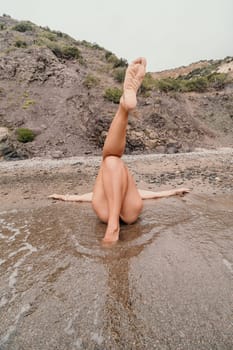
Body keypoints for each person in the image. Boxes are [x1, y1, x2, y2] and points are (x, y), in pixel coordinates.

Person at [49, 58, 189, 243]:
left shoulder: (102, 189)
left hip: (105, 214)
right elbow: (151, 194)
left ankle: (123, 108)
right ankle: (124, 108)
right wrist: (172, 191)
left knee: (110, 159)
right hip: (131, 214)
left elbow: (83, 198)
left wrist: (64, 197)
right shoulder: (135, 192)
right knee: (113, 159)